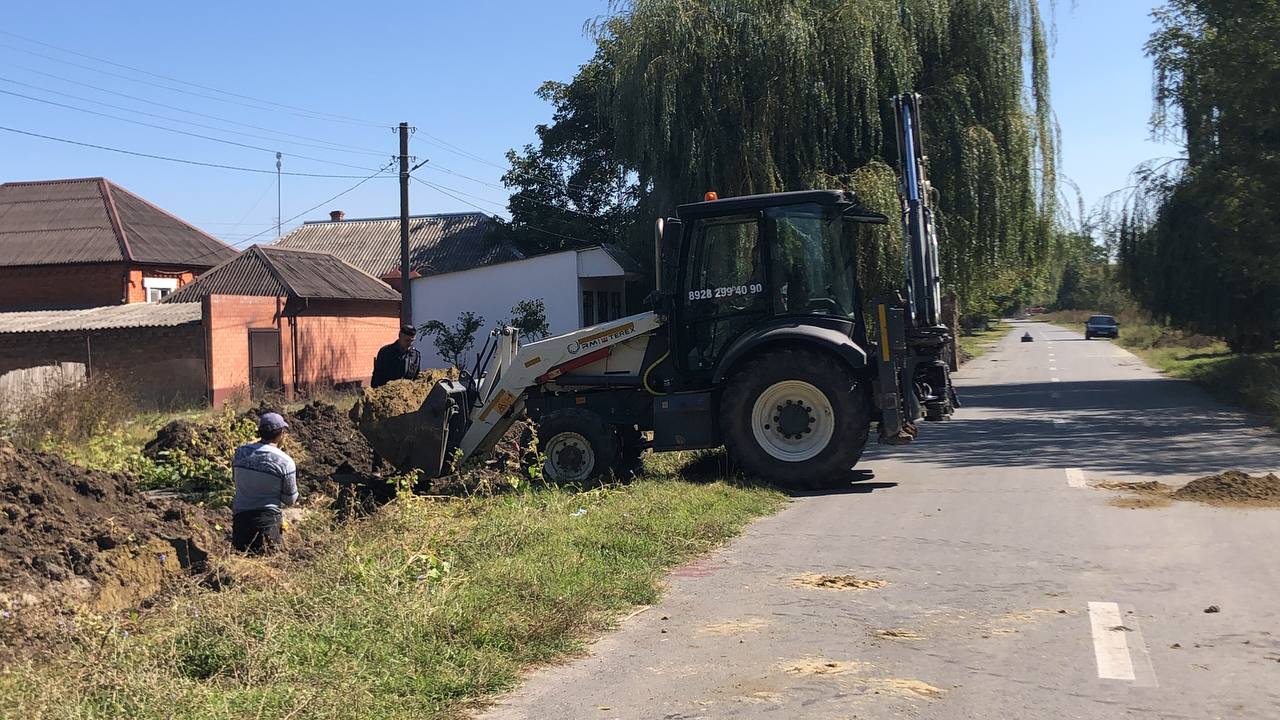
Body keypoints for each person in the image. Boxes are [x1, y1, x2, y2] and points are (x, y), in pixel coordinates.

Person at [231, 412, 298, 554]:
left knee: (242, 563)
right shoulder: (285, 462)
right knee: (269, 562)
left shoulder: (240, 453)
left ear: (260, 432)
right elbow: (290, 500)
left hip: (240, 521)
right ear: (281, 434)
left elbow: (235, 480)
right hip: (268, 523)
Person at [371, 323, 422, 388]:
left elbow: (417, 378)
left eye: (412, 341)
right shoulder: (385, 352)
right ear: (400, 336)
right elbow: (377, 375)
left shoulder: (416, 355)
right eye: (407, 340)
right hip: (387, 392)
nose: (410, 344)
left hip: (407, 393)